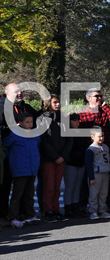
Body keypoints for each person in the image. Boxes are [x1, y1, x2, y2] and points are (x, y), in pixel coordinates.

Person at [0, 83, 40, 224]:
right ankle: (7, 215)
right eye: (16, 91)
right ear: (7, 92)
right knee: (7, 188)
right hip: (10, 156)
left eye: (21, 91)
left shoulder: (25, 107)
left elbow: (38, 118)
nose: (19, 94)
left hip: (28, 163)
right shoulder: (1, 106)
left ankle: (26, 214)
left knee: (27, 191)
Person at [79, 89, 110, 212]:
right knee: (89, 179)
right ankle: (86, 205)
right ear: (89, 98)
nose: (99, 98)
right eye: (96, 96)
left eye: (101, 96)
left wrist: (105, 106)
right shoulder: (83, 114)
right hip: (91, 151)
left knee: (109, 177)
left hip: (105, 149)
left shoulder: (105, 111)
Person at [3, 113, 41, 228]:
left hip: (32, 168)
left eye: (31, 122)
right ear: (20, 123)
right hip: (19, 168)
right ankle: (13, 217)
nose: (30, 124)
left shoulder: (35, 135)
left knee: (29, 194)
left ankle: (30, 215)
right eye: (27, 122)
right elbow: (5, 145)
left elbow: (38, 146)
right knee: (17, 194)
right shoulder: (15, 135)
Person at [38, 95, 72, 222]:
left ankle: (56, 209)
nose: (57, 104)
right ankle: (47, 211)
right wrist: (55, 156)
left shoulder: (63, 118)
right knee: (48, 186)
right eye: (54, 102)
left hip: (61, 158)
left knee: (57, 187)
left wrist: (63, 156)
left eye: (59, 102)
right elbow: (43, 140)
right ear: (48, 103)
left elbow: (69, 139)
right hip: (48, 159)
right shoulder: (42, 119)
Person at [63, 113, 90, 218]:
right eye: (74, 121)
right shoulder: (67, 133)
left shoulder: (80, 132)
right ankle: (68, 207)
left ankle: (75, 206)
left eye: (78, 121)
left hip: (80, 162)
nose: (77, 123)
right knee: (70, 186)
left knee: (78, 186)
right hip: (70, 162)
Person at [85, 127, 110, 221]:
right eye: (99, 136)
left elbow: (109, 161)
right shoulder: (91, 149)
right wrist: (91, 177)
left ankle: (102, 210)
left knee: (103, 193)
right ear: (92, 137)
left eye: (103, 136)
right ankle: (93, 211)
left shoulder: (106, 147)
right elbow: (88, 164)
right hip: (96, 174)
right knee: (94, 193)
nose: (101, 138)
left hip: (105, 173)